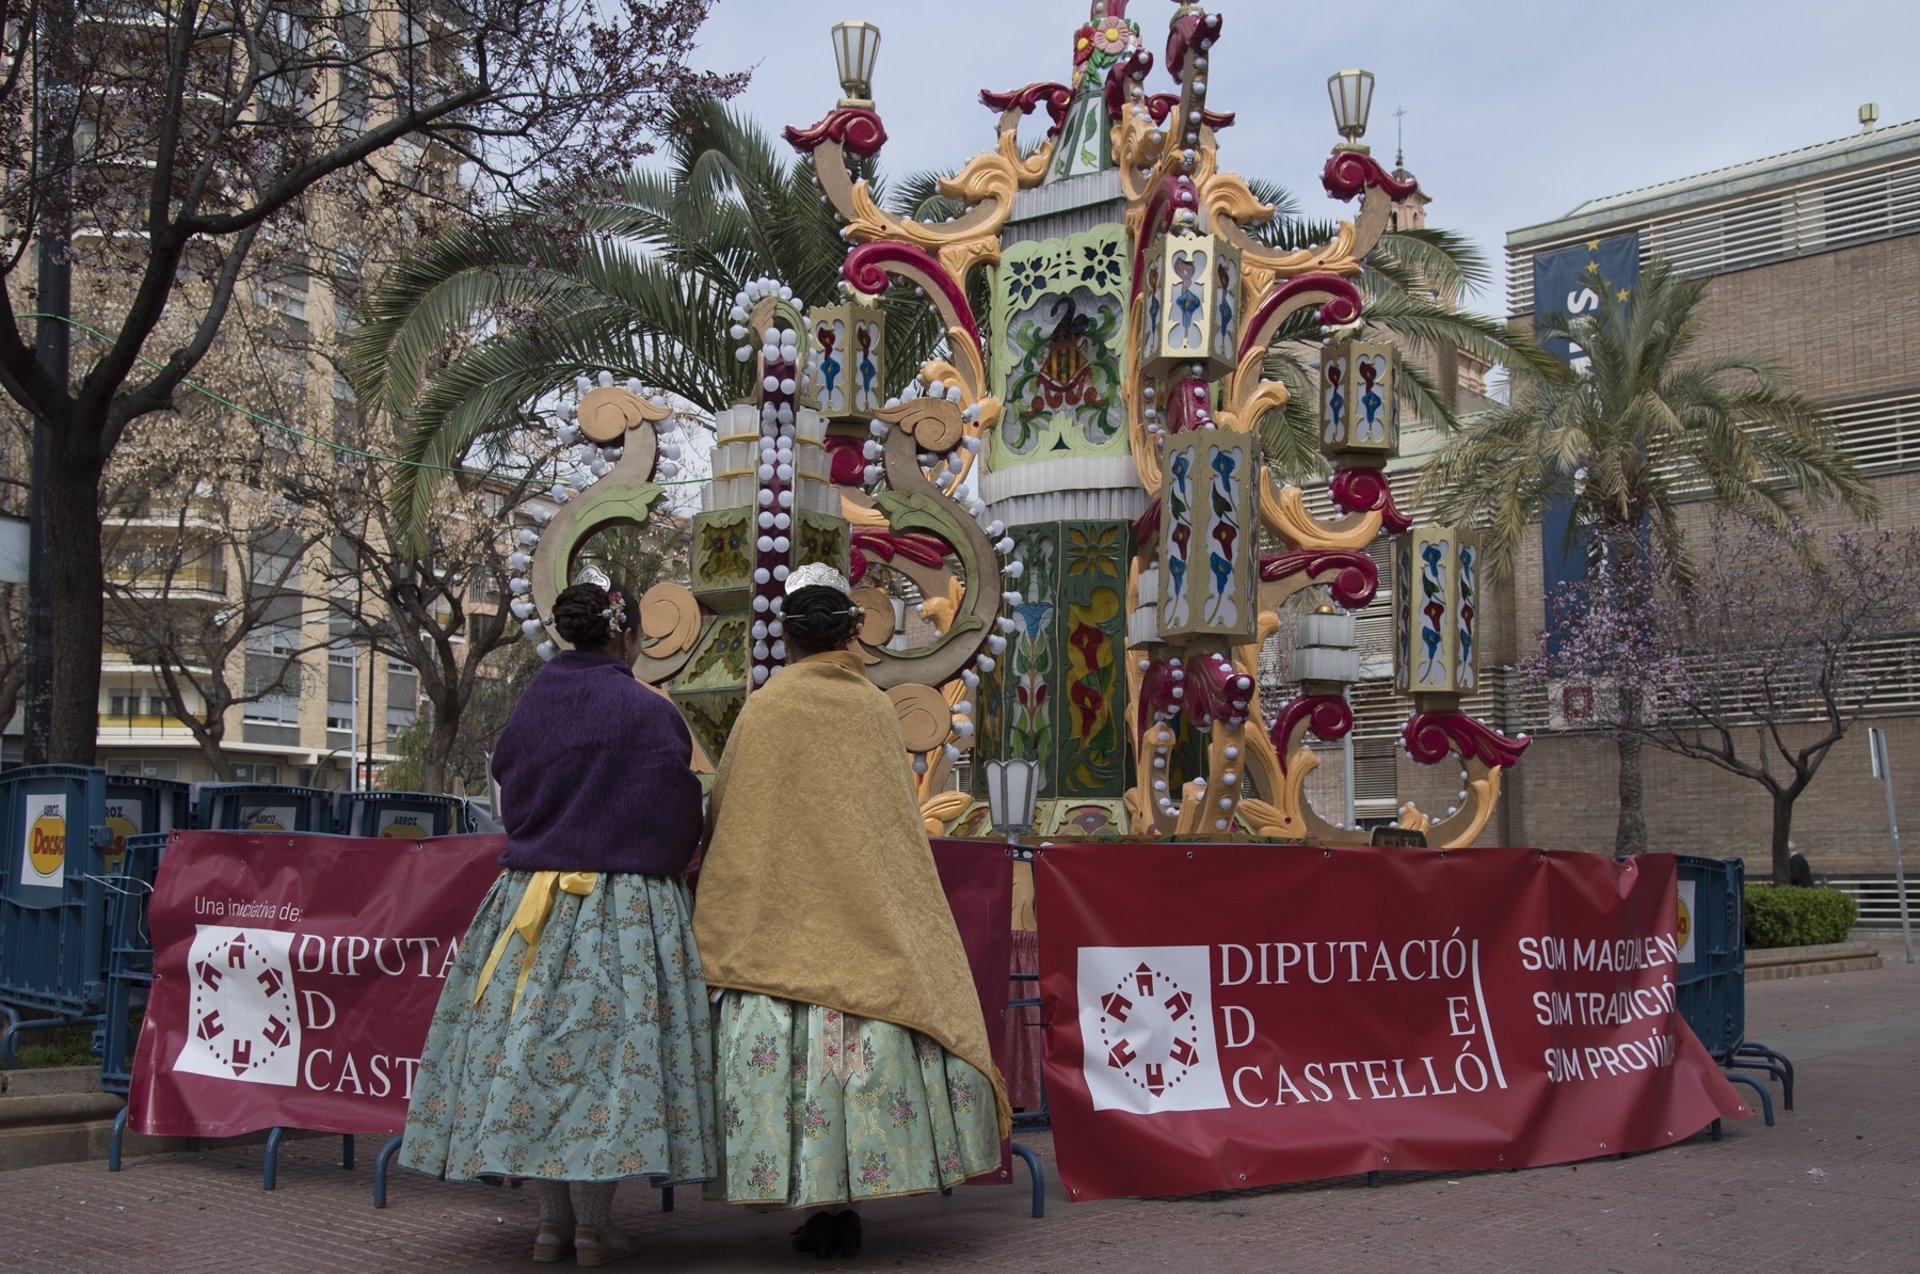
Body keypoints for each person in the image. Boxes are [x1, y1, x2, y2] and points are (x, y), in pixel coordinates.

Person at [694, 562, 1010, 1258]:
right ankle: (850, 1204)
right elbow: (895, 829)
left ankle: (806, 1197)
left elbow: (729, 817)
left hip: (774, 936)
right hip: (868, 933)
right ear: (851, 632)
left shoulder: (764, 709)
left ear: (787, 636)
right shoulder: (873, 709)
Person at [402, 572, 715, 1267]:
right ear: (625, 635)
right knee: (608, 1064)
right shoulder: (650, 712)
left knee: (534, 1058)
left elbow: (512, 788)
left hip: (531, 906)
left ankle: (552, 1225)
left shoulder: (531, 706)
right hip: (627, 910)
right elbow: (677, 811)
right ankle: (595, 1228)